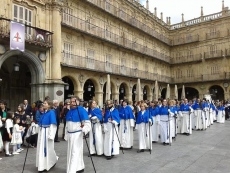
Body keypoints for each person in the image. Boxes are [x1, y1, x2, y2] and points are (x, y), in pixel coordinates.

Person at [65, 96, 91, 173]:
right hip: (70, 135)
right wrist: (66, 134)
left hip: (77, 134)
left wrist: (84, 129)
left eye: (74, 101)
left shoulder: (81, 110)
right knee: (72, 152)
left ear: (78, 102)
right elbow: (67, 124)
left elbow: (87, 123)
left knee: (75, 152)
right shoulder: (69, 111)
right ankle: (79, 167)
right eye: (71, 102)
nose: (72, 103)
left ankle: (72, 170)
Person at [36, 100, 58, 172]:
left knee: (48, 149)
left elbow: (53, 124)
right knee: (41, 149)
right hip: (42, 132)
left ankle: (50, 162)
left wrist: (51, 135)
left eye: (45, 103)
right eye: (43, 103)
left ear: (49, 105)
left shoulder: (51, 112)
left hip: (47, 132)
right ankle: (42, 165)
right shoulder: (43, 113)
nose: (43, 104)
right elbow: (40, 123)